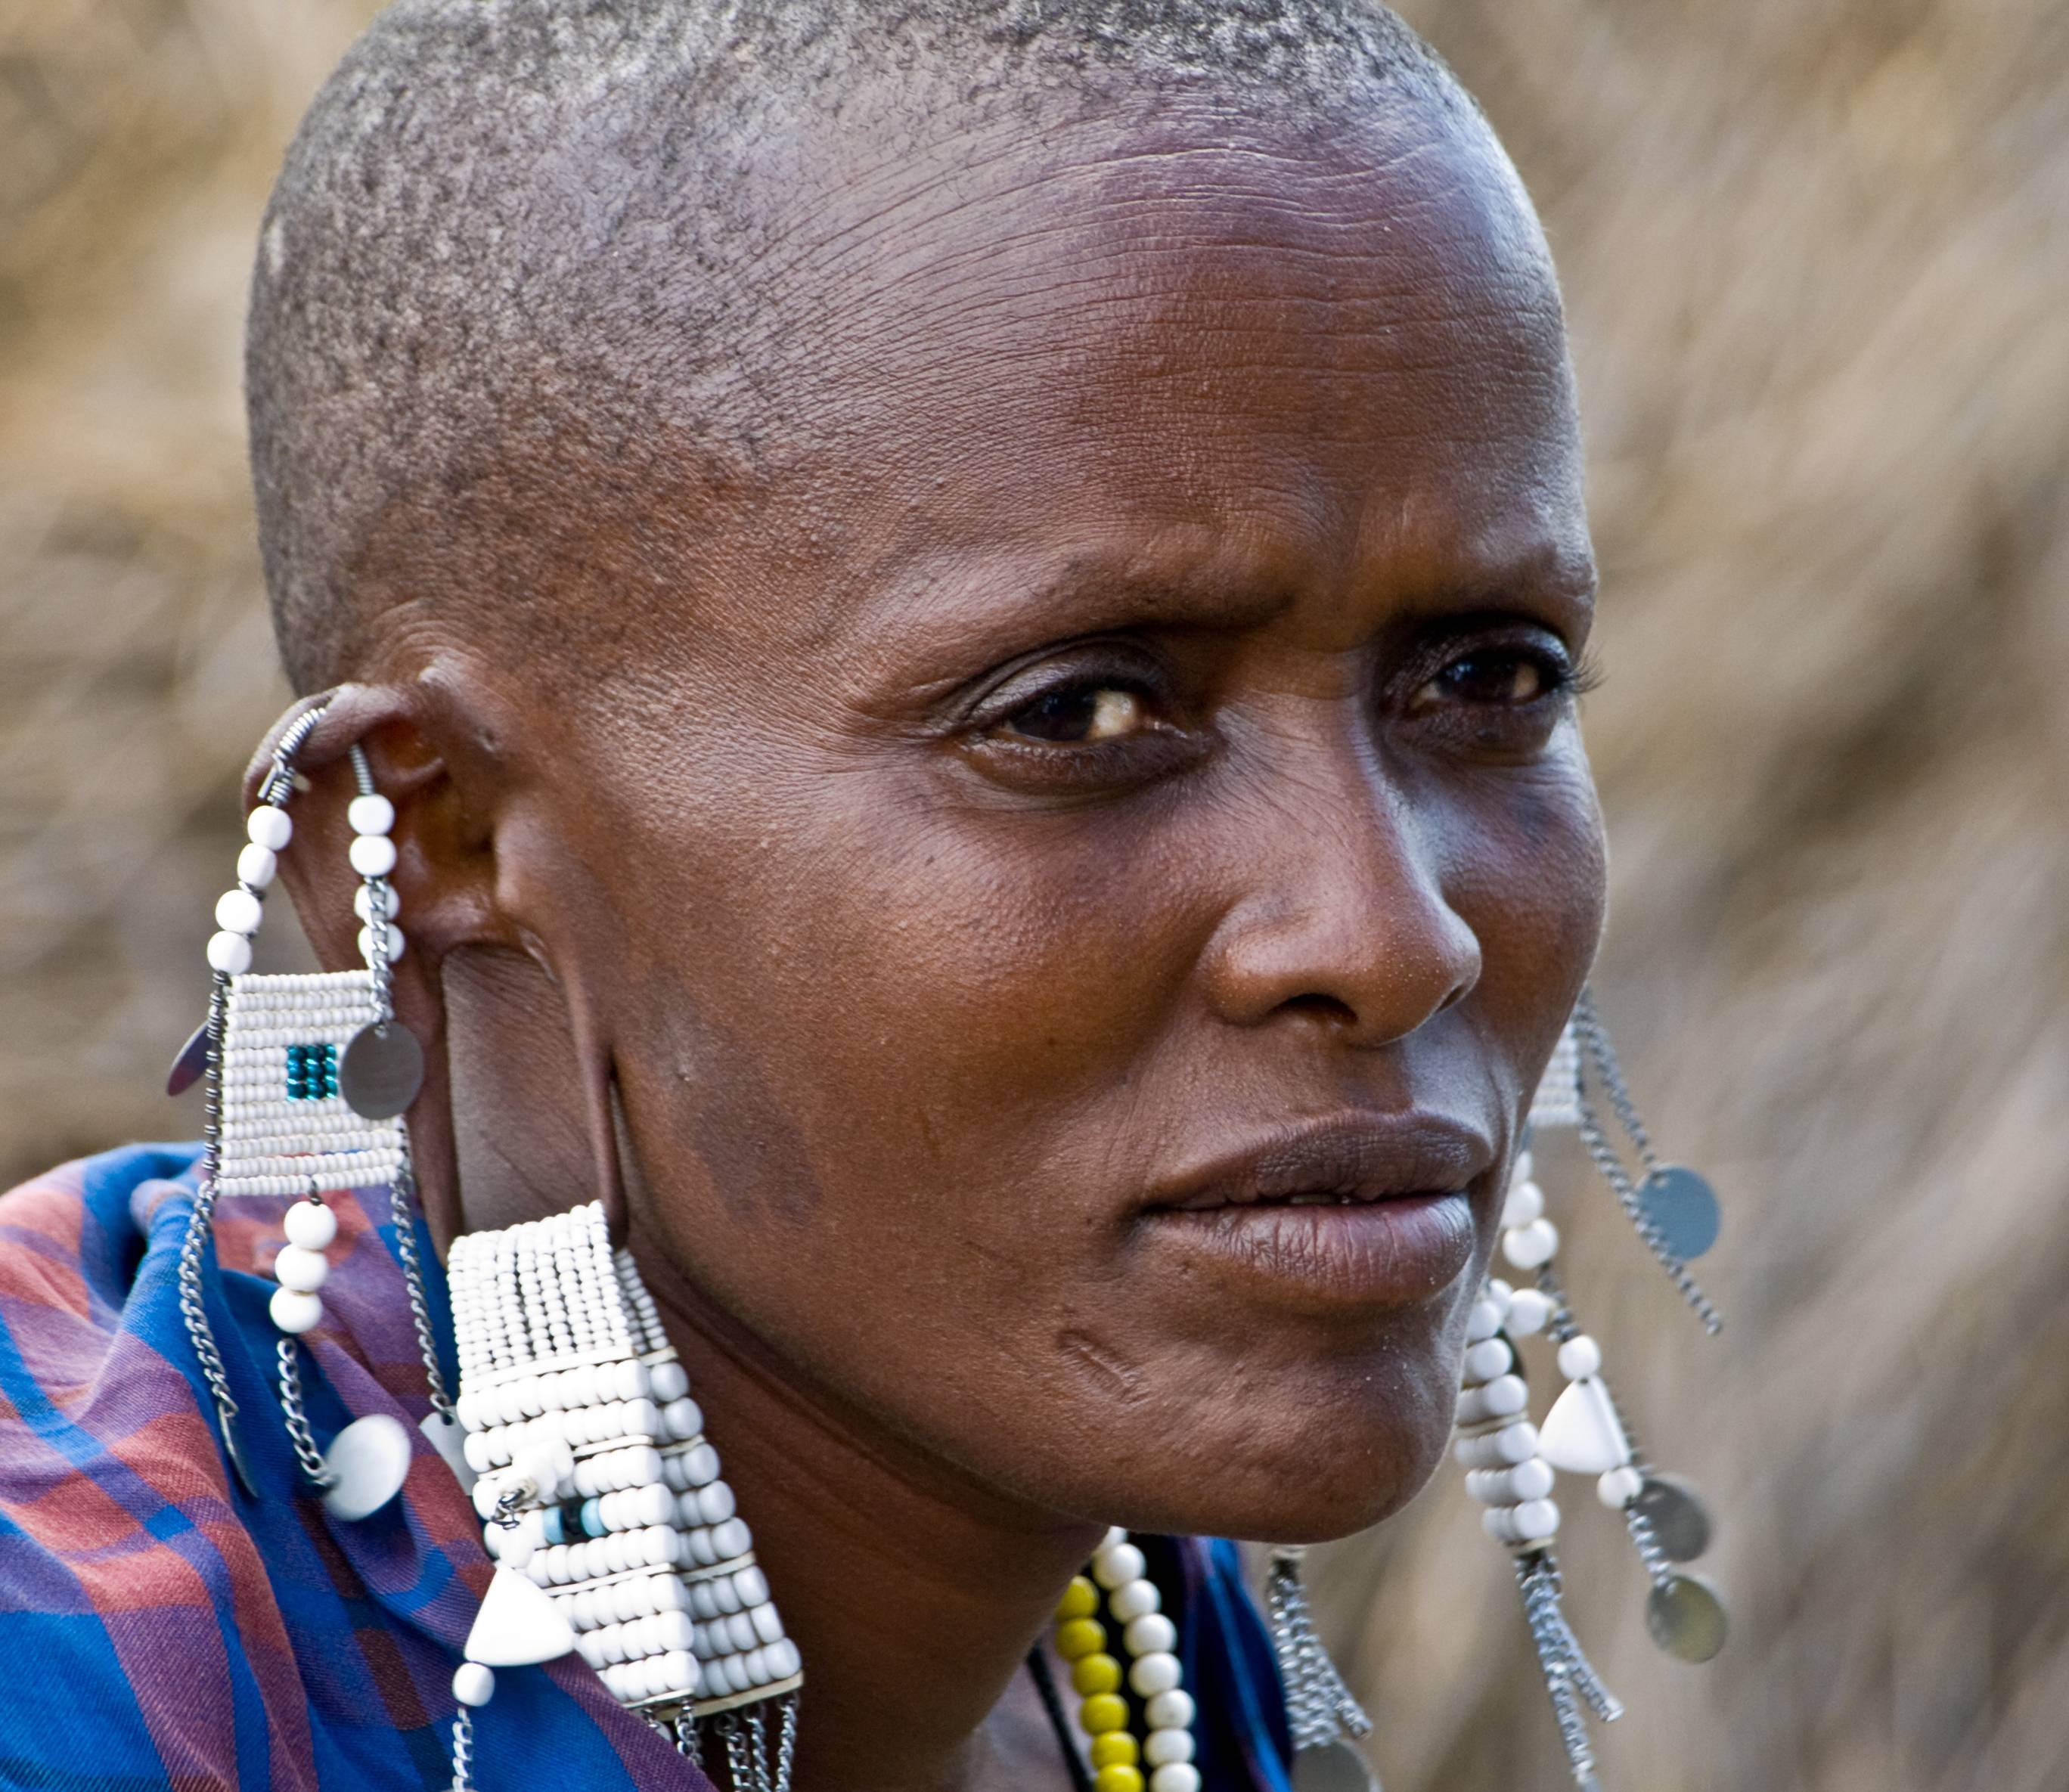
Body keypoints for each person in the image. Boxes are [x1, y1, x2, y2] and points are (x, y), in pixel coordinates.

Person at [0, 2, 1606, 1788]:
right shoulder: (71, 1679)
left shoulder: (1138, 1646)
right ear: (440, 843)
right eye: (1078, 714)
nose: (1393, 939)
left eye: (1490, 681)